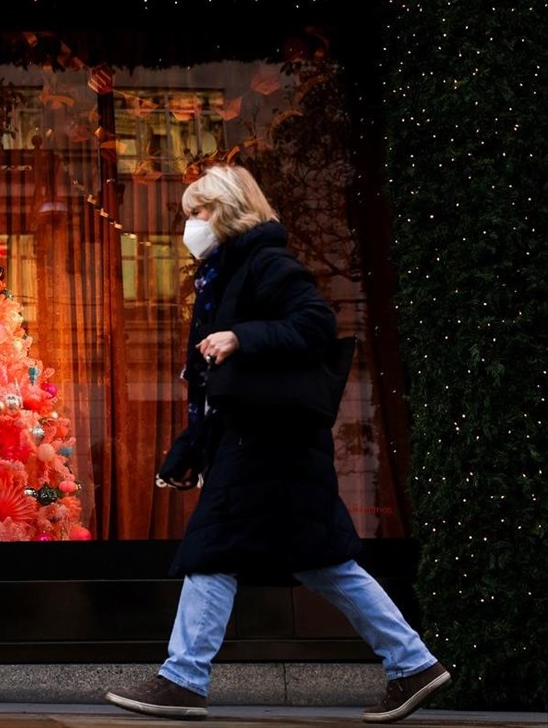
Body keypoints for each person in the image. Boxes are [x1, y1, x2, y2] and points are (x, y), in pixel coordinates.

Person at [103, 164, 450, 723]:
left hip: (269, 445)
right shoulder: (226, 274)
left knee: (211, 550)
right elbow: (221, 387)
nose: (190, 225)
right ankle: (413, 664)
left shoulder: (264, 263)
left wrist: (243, 335)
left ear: (230, 211)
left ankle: (183, 679)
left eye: (200, 212)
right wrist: (188, 452)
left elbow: (314, 324)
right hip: (266, 445)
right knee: (324, 561)